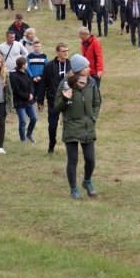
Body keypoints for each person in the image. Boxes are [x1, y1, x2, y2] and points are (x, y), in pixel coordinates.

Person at [54, 54, 101, 199]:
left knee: (90, 159)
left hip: (88, 126)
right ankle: (74, 189)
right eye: (86, 67)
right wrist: (64, 98)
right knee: (73, 160)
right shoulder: (65, 84)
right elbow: (57, 107)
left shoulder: (92, 82)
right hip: (71, 126)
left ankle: (87, 181)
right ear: (78, 69)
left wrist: (93, 117)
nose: (89, 69)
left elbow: (97, 102)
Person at [37, 43, 71, 154]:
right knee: (52, 126)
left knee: (69, 124)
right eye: (63, 51)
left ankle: (70, 147)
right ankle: (52, 144)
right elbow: (43, 84)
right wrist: (40, 100)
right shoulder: (49, 66)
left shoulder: (71, 65)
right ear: (57, 52)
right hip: (53, 100)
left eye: (67, 50)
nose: (66, 53)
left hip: (69, 100)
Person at [10, 57, 37, 144]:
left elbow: (31, 84)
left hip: (29, 101)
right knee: (23, 121)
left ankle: (29, 134)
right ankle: (23, 140)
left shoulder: (27, 73)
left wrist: (32, 94)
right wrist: (26, 96)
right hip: (20, 103)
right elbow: (16, 90)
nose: (27, 65)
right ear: (22, 65)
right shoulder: (14, 76)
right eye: (26, 63)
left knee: (34, 118)